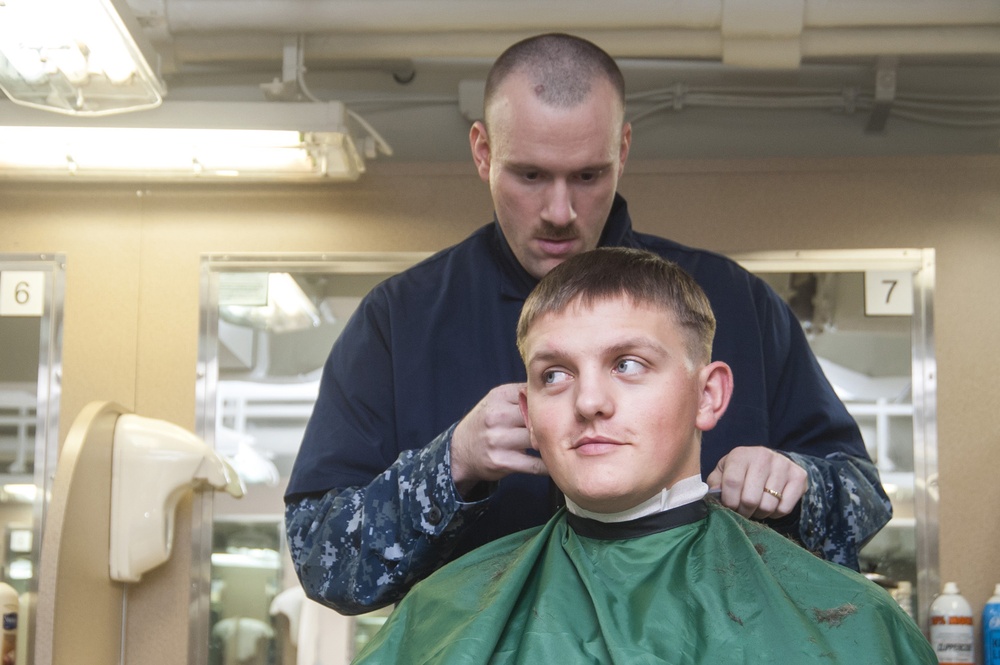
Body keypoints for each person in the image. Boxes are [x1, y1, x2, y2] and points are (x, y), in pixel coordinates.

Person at [285, 33, 891, 615]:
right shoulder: (399, 322)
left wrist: (796, 486)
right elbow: (320, 560)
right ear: (482, 152)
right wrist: (452, 465)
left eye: (587, 176)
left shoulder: (736, 305)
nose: (559, 212)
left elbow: (863, 502)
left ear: (622, 151)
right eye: (529, 175)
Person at [352, 248, 934, 664]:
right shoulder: (438, 620)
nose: (589, 401)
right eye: (554, 374)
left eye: (628, 364)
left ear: (709, 395)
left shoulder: (854, 626)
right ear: (529, 412)